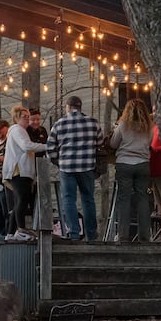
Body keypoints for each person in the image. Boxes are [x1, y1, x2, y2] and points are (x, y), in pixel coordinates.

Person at [47, 94, 103, 241]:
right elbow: (100, 144)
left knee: (68, 200)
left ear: (68, 107)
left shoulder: (59, 124)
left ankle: (74, 233)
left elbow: (50, 149)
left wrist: (59, 161)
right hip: (87, 167)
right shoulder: (93, 123)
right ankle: (91, 234)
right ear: (80, 107)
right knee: (88, 200)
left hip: (67, 168)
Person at [109, 98, 154, 241]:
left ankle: (123, 235)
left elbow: (113, 143)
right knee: (142, 199)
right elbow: (151, 143)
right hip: (143, 164)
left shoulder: (122, 125)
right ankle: (144, 235)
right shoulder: (148, 127)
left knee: (124, 199)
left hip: (124, 164)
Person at [3, 104, 47, 241]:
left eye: (29, 117)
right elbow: (26, 146)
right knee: (22, 199)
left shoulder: (21, 131)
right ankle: (20, 229)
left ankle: (10, 233)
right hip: (19, 170)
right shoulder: (17, 130)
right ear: (16, 118)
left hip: (23, 171)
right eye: (24, 117)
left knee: (19, 201)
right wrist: (47, 146)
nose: (28, 119)